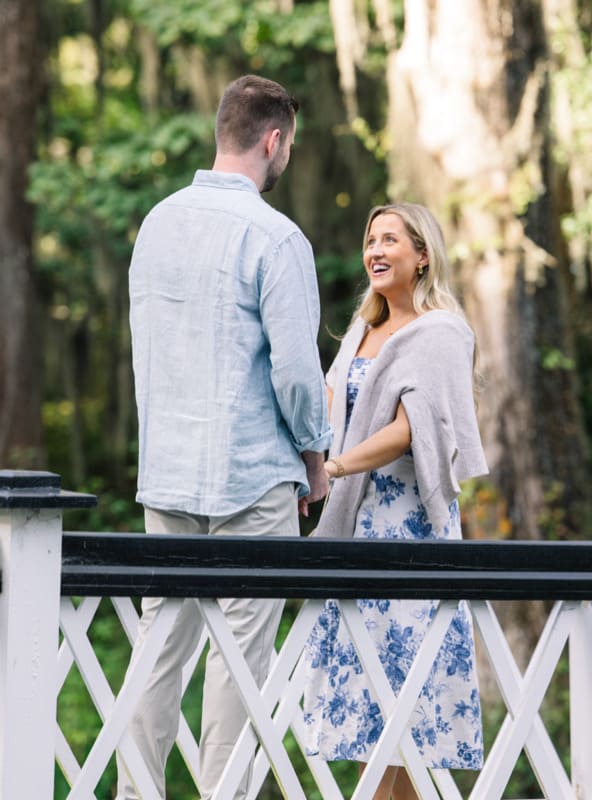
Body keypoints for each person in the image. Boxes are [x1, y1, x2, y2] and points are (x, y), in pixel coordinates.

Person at [121, 75, 332, 799]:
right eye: (289, 147)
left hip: (169, 471)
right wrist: (316, 457)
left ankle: (134, 792)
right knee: (241, 661)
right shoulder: (275, 236)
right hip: (252, 475)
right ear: (274, 140)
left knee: (158, 650)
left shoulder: (156, 225)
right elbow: (300, 374)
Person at [301, 203, 487, 800]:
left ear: (422, 254)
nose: (375, 251)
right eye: (370, 240)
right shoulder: (359, 331)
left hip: (409, 533)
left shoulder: (441, 333)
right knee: (367, 716)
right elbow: (327, 405)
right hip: (357, 529)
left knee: (407, 707)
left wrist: (331, 466)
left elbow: (413, 430)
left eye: (390, 240)